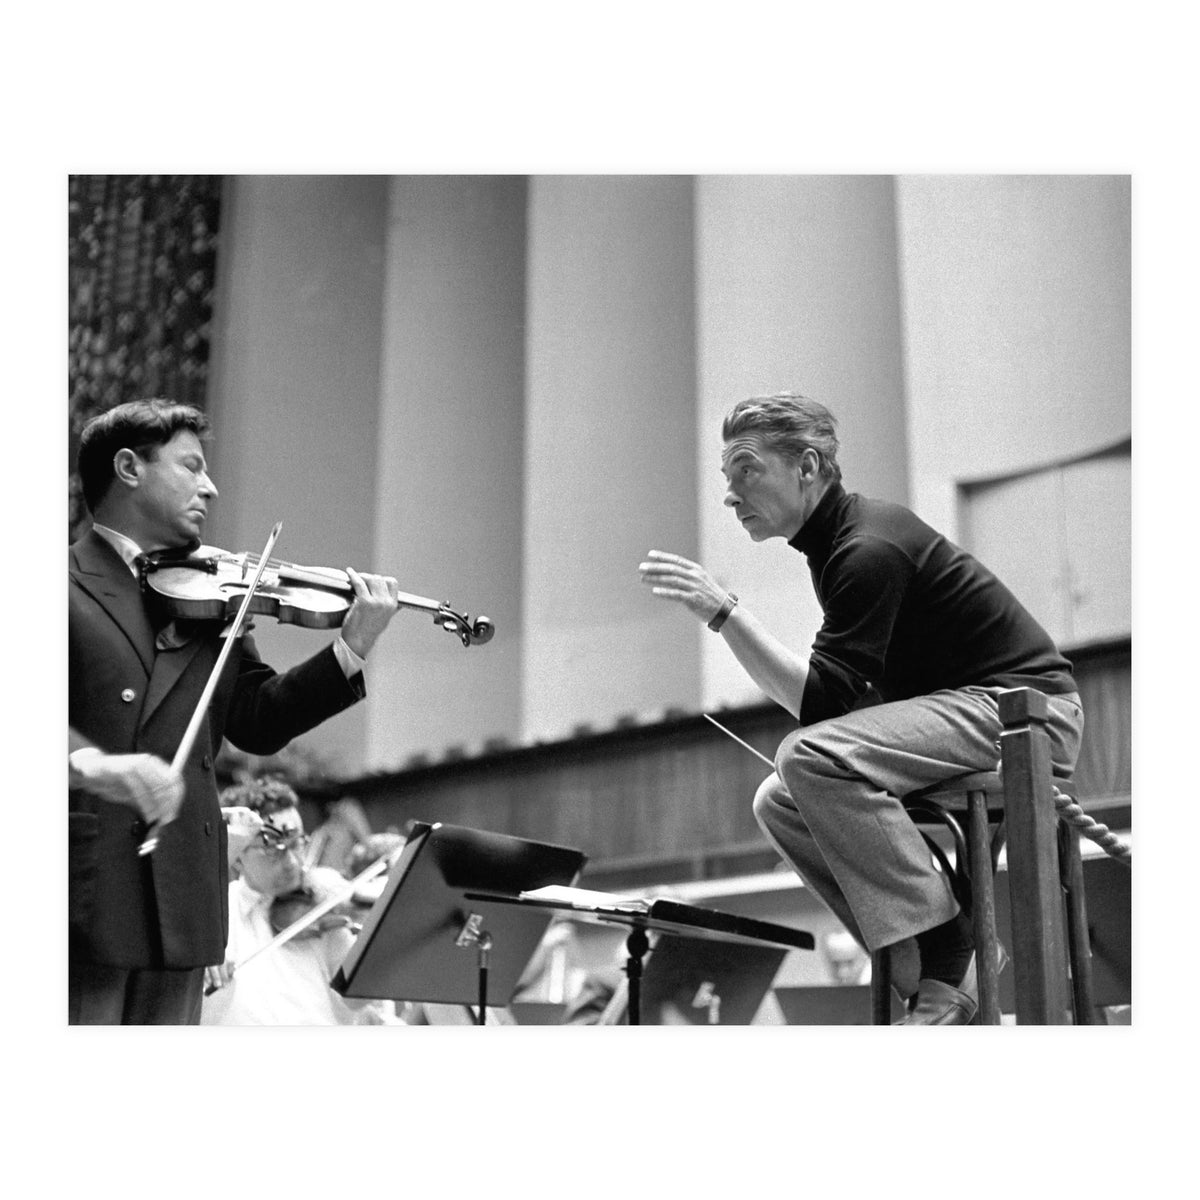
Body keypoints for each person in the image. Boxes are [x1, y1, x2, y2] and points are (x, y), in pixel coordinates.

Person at [638, 392, 1084, 1024]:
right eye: (727, 478)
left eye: (746, 470)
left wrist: (725, 614)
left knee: (805, 756)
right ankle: (922, 968)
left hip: (1025, 714)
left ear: (808, 466)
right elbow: (833, 701)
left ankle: (950, 958)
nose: (731, 495)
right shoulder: (836, 549)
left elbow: (819, 712)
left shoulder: (866, 549)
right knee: (777, 799)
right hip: (964, 711)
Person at [69, 398, 402, 1024]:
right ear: (128, 468)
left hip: (182, 896)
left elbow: (257, 718)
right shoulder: (60, 581)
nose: (211, 486)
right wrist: (96, 766)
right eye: (191, 466)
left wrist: (350, 648)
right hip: (82, 889)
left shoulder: (211, 593)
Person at [201, 778, 398, 1025]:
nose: (294, 863)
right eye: (273, 849)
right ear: (238, 857)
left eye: (296, 843)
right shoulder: (214, 915)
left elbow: (356, 1000)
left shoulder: (325, 911)